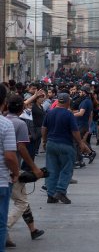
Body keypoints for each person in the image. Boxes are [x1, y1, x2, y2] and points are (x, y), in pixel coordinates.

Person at [6, 95, 44, 248]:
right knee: (22, 202)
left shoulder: (3, 120)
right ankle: (4, 228)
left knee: (21, 199)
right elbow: (21, 148)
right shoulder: (20, 124)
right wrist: (34, 168)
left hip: (9, 167)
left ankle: (32, 229)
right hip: (11, 168)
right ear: (22, 109)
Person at [42, 93, 90, 204]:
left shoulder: (49, 113)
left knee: (51, 169)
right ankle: (61, 191)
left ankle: (51, 195)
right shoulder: (69, 115)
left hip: (51, 143)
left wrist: (44, 141)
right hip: (65, 145)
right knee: (67, 169)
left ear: (58, 101)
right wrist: (80, 143)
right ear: (68, 102)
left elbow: (44, 128)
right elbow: (75, 131)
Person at [0, 84, 19, 252]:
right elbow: (10, 156)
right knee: (0, 224)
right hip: (1, 181)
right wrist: (15, 172)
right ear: (3, 102)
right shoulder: (6, 125)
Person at [73, 86, 95, 167]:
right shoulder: (87, 101)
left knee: (75, 142)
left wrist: (71, 114)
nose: (79, 93)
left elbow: (81, 113)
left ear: (84, 92)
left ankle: (78, 161)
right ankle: (81, 160)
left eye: (80, 92)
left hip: (81, 125)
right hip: (82, 124)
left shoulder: (86, 101)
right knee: (78, 142)